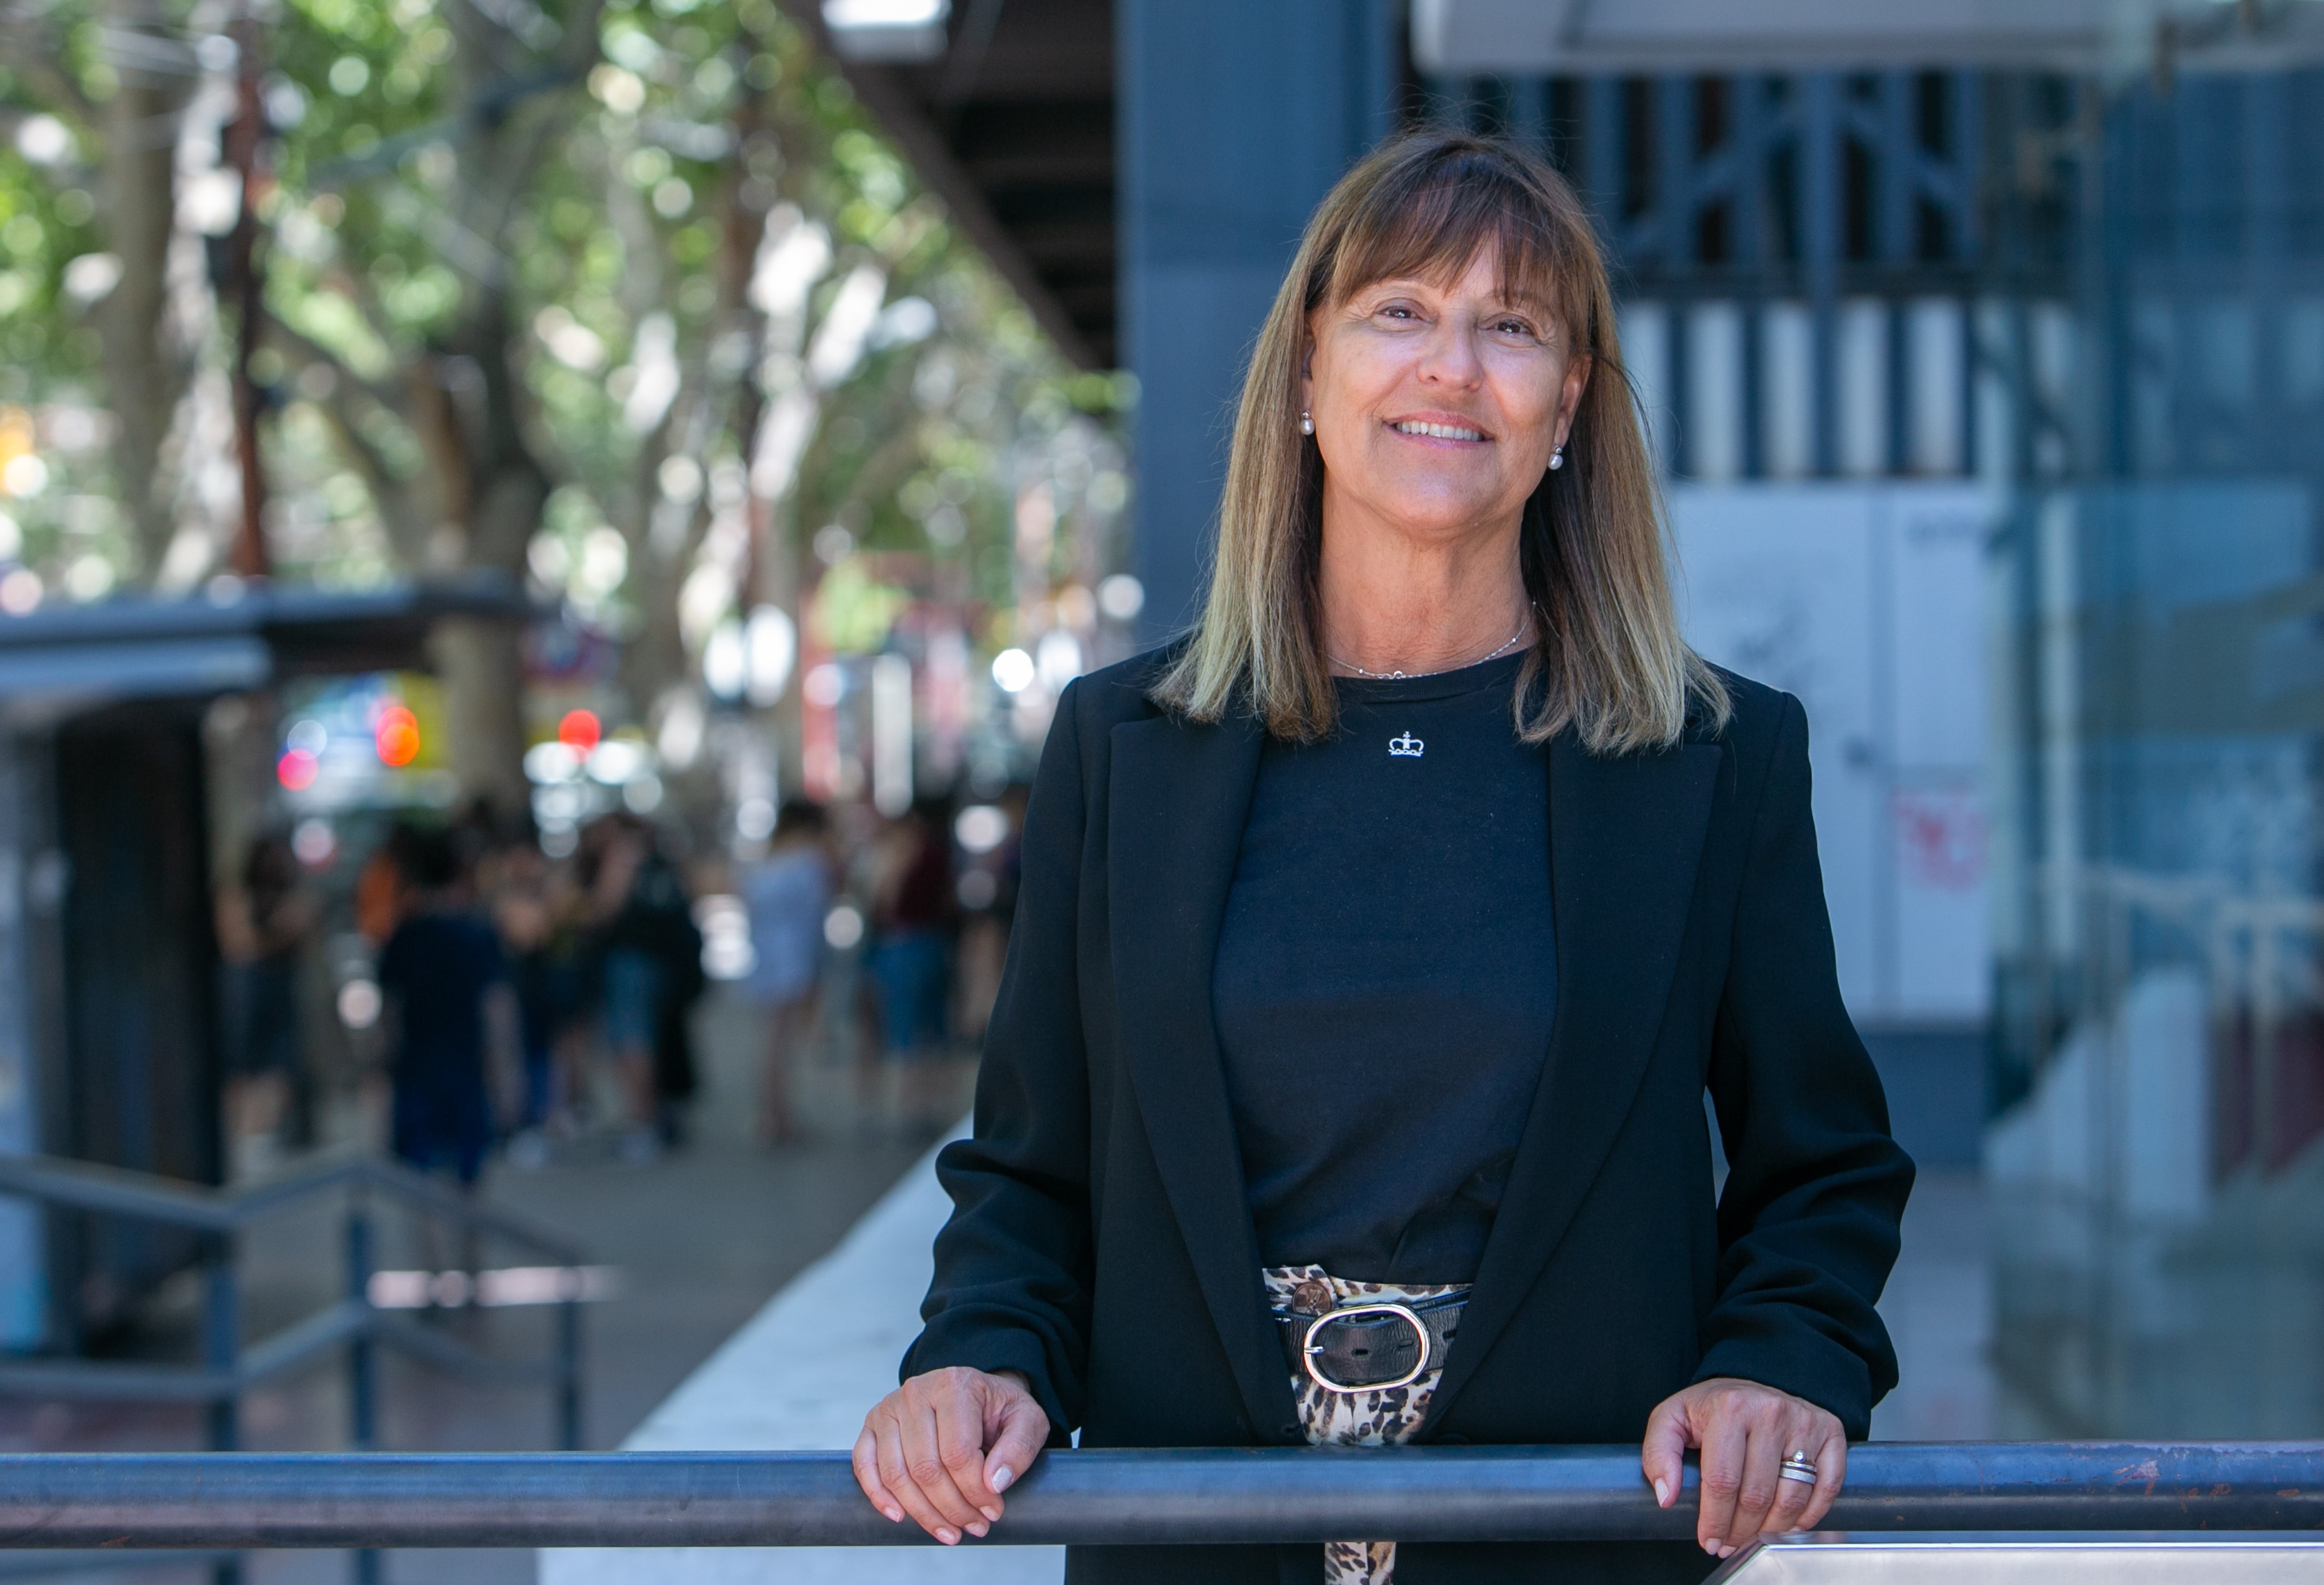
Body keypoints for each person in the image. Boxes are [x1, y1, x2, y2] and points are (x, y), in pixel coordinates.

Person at [855, 129, 1914, 1585]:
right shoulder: (1125, 747)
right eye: (1399, 312)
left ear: (1567, 406)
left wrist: (1779, 1363)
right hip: (1201, 1541)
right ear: (1306, 371)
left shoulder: (1710, 759)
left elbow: (1822, 1162)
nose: (1451, 367)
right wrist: (976, 1353)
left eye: (1512, 327)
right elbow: (1035, 1172)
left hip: (1572, 1538)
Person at [376, 826, 518, 1191]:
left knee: (422, 1184)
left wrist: (382, 1079)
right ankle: (469, 1251)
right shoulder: (476, 935)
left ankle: (432, 1252)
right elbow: (497, 1012)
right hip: (466, 1071)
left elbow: (388, 1018)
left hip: (417, 1072)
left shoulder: (403, 939)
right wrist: (507, 1083)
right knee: (470, 1179)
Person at [741, 800, 834, 1144]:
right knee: (780, 1041)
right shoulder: (809, 861)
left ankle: (774, 1113)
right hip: (793, 955)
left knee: (772, 1040)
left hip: (767, 954)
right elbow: (815, 916)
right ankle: (776, 1116)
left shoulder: (768, 859)